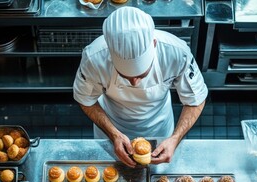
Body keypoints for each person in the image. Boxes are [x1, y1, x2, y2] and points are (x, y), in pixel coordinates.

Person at [73, 7, 208, 168]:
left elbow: (196, 100)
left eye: (141, 75)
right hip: (110, 127)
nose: (135, 83)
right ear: (110, 53)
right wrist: (113, 134)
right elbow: (85, 99)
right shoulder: (93, 58)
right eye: (125, 76)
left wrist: (175, 138)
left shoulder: (177, 53)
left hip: (160, 129)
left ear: (154, 44)